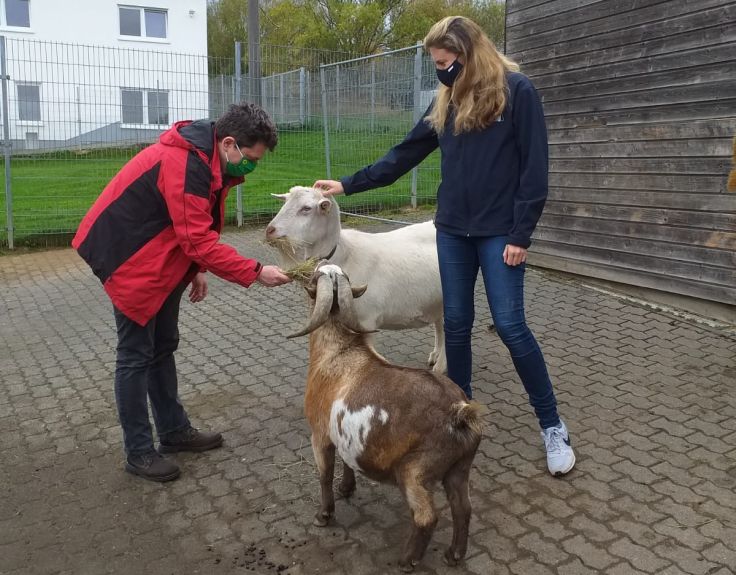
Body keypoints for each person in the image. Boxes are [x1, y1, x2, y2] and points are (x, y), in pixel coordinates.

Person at [314, 16, 575, 476]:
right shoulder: (447, 101)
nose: (440, 71)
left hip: (500, 235)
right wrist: (348, 185)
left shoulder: (518, 93)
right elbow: (405, 153)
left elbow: (536, 171)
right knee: (456, 323)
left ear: (469, 54)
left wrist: (521, 234)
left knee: (512, 327)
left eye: (445, 62)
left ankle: (552, 426)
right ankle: (459, 421)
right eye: (435, 64)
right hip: (451, 230)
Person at [73, 102, 292, 482]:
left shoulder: (207, 159)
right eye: (251, 158)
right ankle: (139, 452)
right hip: (129, 258)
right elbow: (196, 239)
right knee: (135, 354)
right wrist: (256, 272)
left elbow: (196, 229)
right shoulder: (185, 164)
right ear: (229, 143)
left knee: (163, 345)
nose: (252, 166)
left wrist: (197, 270)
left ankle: (173, 431)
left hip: (161, 254)